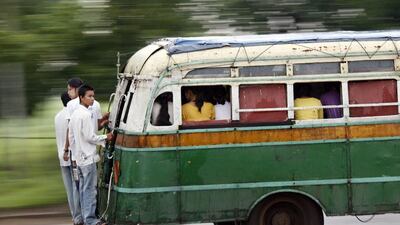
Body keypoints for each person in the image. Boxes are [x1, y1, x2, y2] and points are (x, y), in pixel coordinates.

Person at [69, 84, 113, 225]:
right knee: (89, 190)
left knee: (83, 189)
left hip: (80, 158)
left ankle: (85, 216)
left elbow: (72, 137)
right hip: (88, 158)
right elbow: (90, 137)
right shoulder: (85, 115)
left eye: (93, 96)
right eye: (89, 96)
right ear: (81, 97)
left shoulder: (75, 113)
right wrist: (107, 137)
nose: (92, 99)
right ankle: (90, 220)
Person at [55, 92, 83, 225]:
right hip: (72, 156)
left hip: (61, 157)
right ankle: (78, 217)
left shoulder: (57, 116)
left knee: (69, 189)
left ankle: (74, 217)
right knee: (76, 187)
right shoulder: (72, 114)